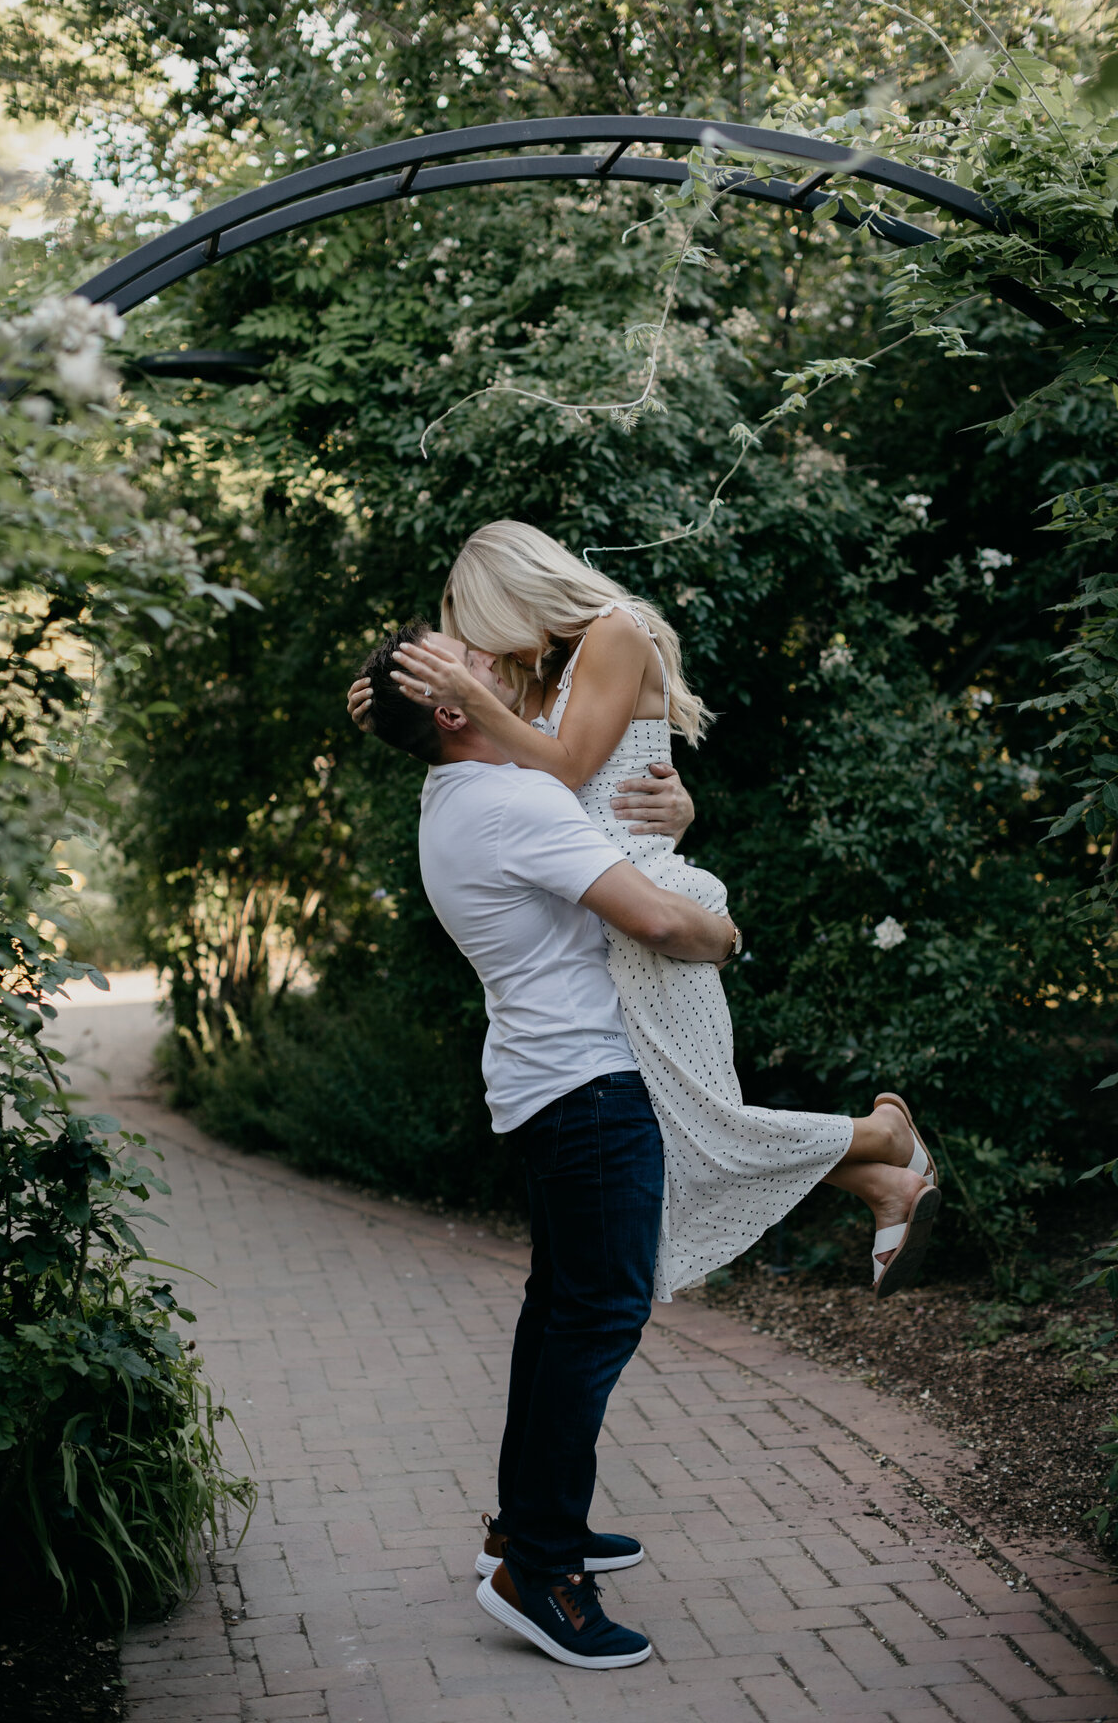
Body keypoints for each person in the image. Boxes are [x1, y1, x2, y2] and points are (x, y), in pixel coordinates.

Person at [351, 520, 939, 1303]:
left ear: (515, 593)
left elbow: (564, 768)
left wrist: (463, 695)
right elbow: (488, 754)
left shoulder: (614, 634)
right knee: (684, 1130)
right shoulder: (543, 674)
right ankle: (883, 1185)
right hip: (618, 914)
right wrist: (399, 708)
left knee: (707, 1125)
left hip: (654, 906)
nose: (481, 655)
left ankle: (885, 1137)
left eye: (477, 633)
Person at [356, 621, 740, 1669]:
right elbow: (657, 922)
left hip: (545, 1089)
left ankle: (523, 1527)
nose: (501, 659)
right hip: (591, 1091)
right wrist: (725, 934)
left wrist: (680, 807)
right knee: (596, 1318)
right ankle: (544, 1571)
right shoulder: (517, 799)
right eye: (473, 662)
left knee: (559, 1314)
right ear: (448, 711)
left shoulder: (459, 795)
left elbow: (602, 808)